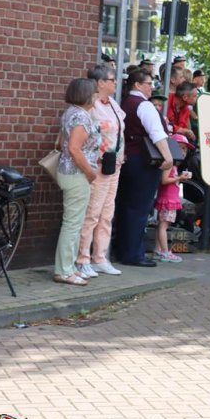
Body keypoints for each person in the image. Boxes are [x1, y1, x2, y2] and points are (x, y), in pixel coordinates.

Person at [114, 70, 174, 268]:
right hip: (144, 162)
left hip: (128, 160)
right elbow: (156, 133)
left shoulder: (122, 102)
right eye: (148, 84)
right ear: (138, 85)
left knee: (125, 206)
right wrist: (168, 157)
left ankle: (122, 250)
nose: (152, 87)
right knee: (139, 208)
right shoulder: (144, 105)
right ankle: (134, 254)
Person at [76, 64, 125, 278]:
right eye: (112, 79)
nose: (115, 83)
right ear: (100, 83)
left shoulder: (113, 104)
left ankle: (100, 257)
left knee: (107, 213)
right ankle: (82, 259)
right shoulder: (91, 105)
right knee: (92, 213)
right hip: (98, 166)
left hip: (115, 165)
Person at [53, 78, 102, 286]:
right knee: (73, 224)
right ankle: (64, 271)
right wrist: (90, 172)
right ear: (87, 94)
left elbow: (60, 143)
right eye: (95, 92)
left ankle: (69, 267)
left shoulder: (70, 112)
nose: (97, 96)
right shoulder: (81, 116)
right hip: (77, 174)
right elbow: (74, 148)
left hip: (67, 172)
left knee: (73, 222)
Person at [153, 134, 193, 263]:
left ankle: (158, 250)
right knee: (163, 226)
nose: (182, 151)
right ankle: (165, 252)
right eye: (180, 147)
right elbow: (164, 180)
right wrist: (179, 178)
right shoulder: (170, 164)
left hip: (170, 199)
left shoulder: (174, 165)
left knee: (162, 225)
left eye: (185, 149)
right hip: (167, 199)